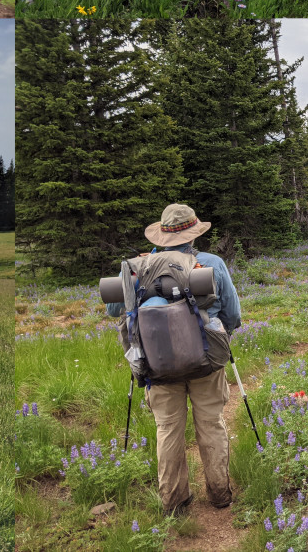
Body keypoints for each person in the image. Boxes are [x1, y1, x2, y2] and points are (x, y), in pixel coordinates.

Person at [105, 203, 243, 517]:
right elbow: (232, 314)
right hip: (206, 360)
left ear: (163, 235)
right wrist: (223, 335)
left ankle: (174, 503)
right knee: (210, 424)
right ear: (193, 233)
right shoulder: (209, 263)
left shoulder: (138, 267)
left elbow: (114, 311)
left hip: (157, 365)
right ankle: (220, 495)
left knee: (168, 429)